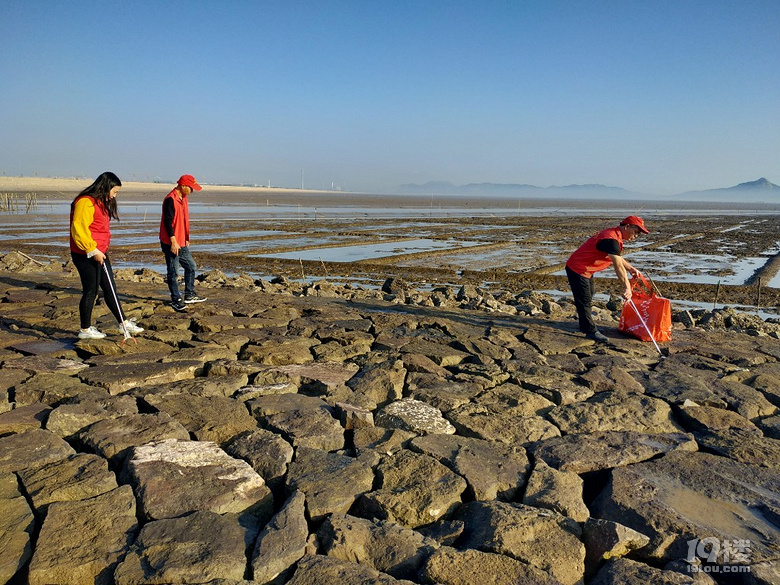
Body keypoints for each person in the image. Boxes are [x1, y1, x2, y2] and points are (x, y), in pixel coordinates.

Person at [70, 172, 144, 339]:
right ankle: (85, 329)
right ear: (104, 187)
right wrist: (92, 250)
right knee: (91, 291)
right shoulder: (85, 202)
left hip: (100, 252)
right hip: (86, 254)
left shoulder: (101, 202)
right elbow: (79, 229)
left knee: (110, 288)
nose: (114, 195)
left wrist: (99, 251)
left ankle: (123, 323)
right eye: (114, 191)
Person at [565, 215, 648, 342]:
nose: (636, 236)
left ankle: (584, 325)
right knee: (584, 299)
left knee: (588, 294)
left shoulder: (614, 236)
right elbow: (618, 266)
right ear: (627, 226)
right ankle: (590, 331)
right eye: (636, 232)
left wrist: (631, 269)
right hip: (578, 268)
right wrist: (627, 287)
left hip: (586, 269)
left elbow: (618, 258)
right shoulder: (610, 239)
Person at [159, 174, 207, 311]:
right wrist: (173, 241)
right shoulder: (170, 199)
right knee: (173, 272)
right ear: (184, 186)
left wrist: (186, 238)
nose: (192, 191)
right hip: (171, 242)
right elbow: (168, 222)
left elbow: (183, 220)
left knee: (191, 266)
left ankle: (189, 294)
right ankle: (176, 299)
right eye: (191, 188)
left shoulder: (183, 198)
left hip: (182, 241)